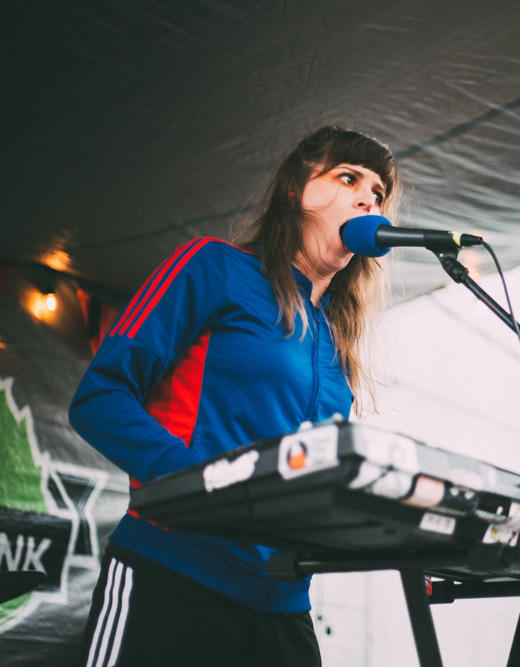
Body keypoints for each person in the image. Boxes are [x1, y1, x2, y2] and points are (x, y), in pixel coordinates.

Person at [69, 125, 397, 667]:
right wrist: (200, 486)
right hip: (173, 574)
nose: (368, 197)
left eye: (379, 193)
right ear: (295, 190)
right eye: (347, 177)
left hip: (282, 605)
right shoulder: (215, 267)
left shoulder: (336, 338)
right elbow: (99, 397)